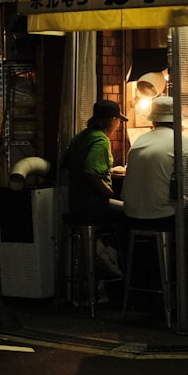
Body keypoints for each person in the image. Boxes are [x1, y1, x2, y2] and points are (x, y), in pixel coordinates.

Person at [61, 98, 127, 275]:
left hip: (75, 203)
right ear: (111, 120)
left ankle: (100, 249)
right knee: (128, 213)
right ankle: (111, 254)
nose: (119, 124)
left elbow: (65, 162)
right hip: (92, 204)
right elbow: (91, 170)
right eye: (118, 120)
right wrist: (109, 191)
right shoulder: (101, 140)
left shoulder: (81, 136)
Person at [121, 96, 188, 232]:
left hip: (130, 213)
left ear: (153, 120)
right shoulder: (183, 142)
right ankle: (186, 252)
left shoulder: (140, 140)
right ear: (178, 121)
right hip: (162, 216)